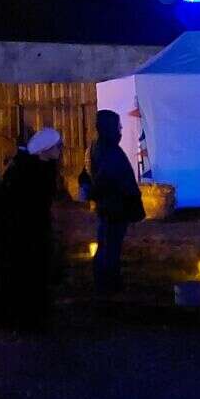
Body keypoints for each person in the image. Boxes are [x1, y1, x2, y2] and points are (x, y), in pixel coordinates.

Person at [0, 127, 64, 331]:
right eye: (57, 146)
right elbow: (22, 205)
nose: (61, 149)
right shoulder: (28, 173)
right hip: (24, 234)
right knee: (26, 274)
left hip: (35, 232)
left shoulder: (43, 169)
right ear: (45, 149)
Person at [83, 109, 144, 295]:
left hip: (112, 206)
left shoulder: (103, 147)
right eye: (118, 126)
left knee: (109, 246)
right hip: (114, 207)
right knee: (109, 247)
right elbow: (107, 179)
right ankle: (107, 286)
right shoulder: (107, 150)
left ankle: (108, 283)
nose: (121, 129)